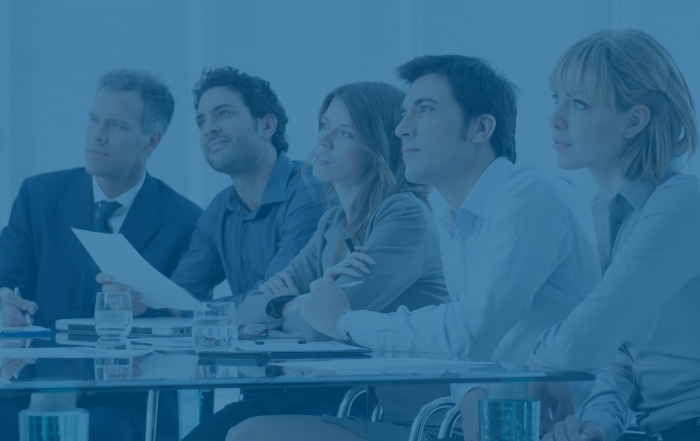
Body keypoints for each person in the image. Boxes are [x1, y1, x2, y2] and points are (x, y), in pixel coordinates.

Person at [297, 55, 602, 441]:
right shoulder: (457, 222)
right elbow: (467, 345)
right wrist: (471, 392)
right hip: (503, 423)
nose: (402, 129)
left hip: (566, 428)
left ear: (480, 128)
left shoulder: (530, 195)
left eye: (424, 110)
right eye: (404, 114)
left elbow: (465, 332)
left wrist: (343, 321)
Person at [0, 69, 201, 441]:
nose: (97, 134)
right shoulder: (38, 196)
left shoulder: (186, 221)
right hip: (31, 390)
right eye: (94, 119)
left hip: (127, 400)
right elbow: (5, 281)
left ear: (151, 141)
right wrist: (5, 305)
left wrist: (147, 307)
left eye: (116, 125)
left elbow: (191, 318)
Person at [526, 29, 700, 441]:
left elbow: (584, 341)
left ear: (634, 120)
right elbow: (621, 355)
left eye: (579, 103)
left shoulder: (681, 203)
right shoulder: (605, 213)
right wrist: (598, 422)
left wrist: (539, 361)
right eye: (556, 98)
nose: (555, 119)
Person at [100, 67, 327, 306]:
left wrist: (195, 308)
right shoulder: (219, 209)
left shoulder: (311, 194)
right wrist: (141, 300)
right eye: (201, 122)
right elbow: (180, 295)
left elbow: (275, 299)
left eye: (224, 113)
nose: (209, 128)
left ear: (267, 126)